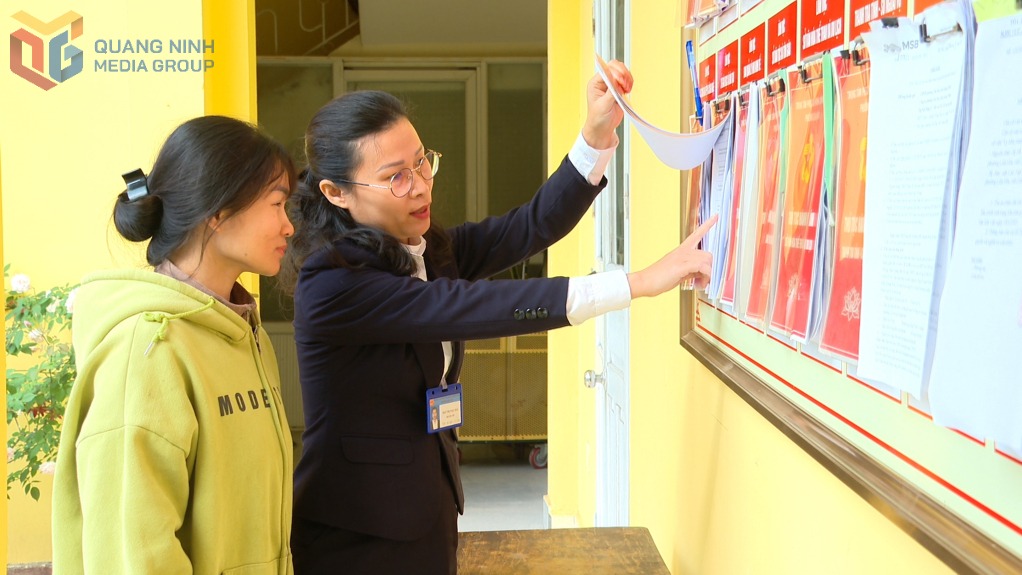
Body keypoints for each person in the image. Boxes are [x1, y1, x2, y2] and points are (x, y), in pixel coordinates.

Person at [278, 60, 716, 575]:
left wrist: (596, 134)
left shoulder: (425, 248)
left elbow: (530, 226)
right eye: (395, 177)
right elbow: (471, 307)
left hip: (427, 509)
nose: (420, 186)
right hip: (358, 535)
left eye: (422, 163)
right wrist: (635, 283)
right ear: (337, 193)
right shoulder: (333, 282)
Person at [52, 116, 297, 575]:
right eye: (277, 204)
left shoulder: (248, 336)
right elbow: (132, 555)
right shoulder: (148, 350)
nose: (289, 226)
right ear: (218, 212)